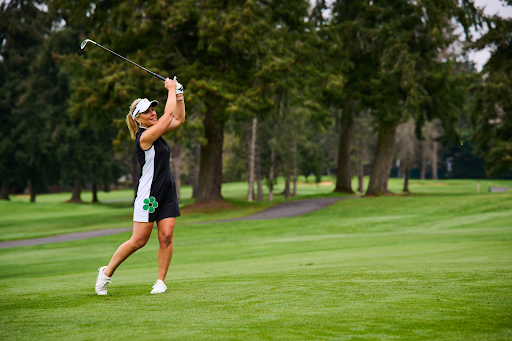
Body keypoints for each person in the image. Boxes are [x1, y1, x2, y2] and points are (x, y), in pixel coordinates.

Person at [95, 76, 185, 295]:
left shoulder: (157, 132)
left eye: (153, 109)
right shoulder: (144, 138)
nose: (153, 113)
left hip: (167, 191)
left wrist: (180, 96)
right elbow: (168, 116)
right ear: (138, 120)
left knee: (166, 236)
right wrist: (171, 90)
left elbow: (178, 119)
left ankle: (160, 281)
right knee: (138, 240)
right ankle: (106, 272)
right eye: (147, 112)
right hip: (148, 195)